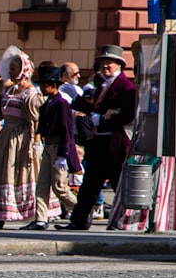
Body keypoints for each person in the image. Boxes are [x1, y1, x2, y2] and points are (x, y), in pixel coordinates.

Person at [59, 45, 138, 230]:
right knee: (90, 184)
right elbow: (95, 110)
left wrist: (102, 121)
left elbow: (127, 115)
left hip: (114, 144)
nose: (105, 66)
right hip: (100, 142)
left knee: (119, 183)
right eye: (102, 62)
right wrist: (76, 100)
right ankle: (79, 220)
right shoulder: (103, 84)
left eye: (109, 62)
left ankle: (125, 220)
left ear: (119, 64)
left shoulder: (125, 87)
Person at [0, 46, 42, 228]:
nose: (9, 72)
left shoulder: (31, 94)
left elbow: (36, 122)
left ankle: (27, 213)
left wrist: (34, 144)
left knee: (17, 174)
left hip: (21, 138)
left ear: (23, 71)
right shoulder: (9, 91)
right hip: (5, 138)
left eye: (14, 69)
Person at [22, 65, 79, 230]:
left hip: (58, 146)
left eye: (43, 85)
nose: (40, 88)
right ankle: (40, 219)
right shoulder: (48, 103)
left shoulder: (62, 104)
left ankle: (80, 211)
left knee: (59, 186)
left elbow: (67, 131)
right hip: (49, 146)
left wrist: (63, 155)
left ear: (53, 85)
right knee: (42, 185)